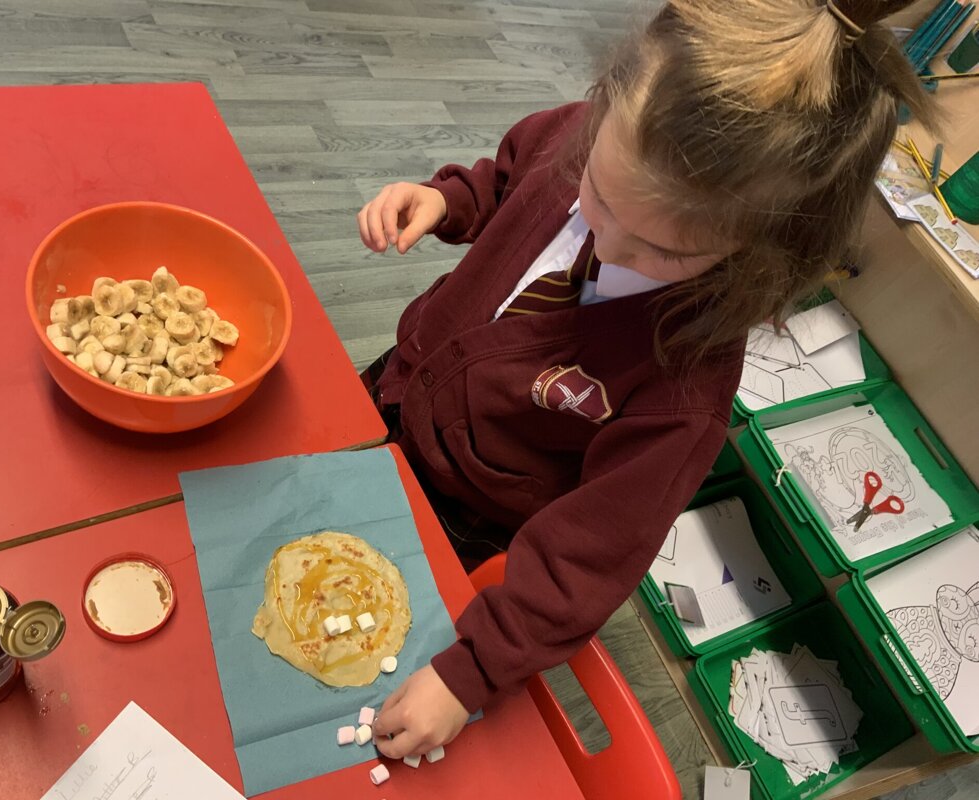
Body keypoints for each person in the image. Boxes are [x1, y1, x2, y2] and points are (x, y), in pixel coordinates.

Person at [357, 0, 935, 760]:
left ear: (761, 255)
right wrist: (451, 199)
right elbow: (511, 172)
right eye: (592, 191)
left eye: (659, 248)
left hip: (467, 509)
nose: (603, 235)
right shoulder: (587, 136)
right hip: (392, 389)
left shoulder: (683, 391)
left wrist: (469, 674)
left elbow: (587, 558)